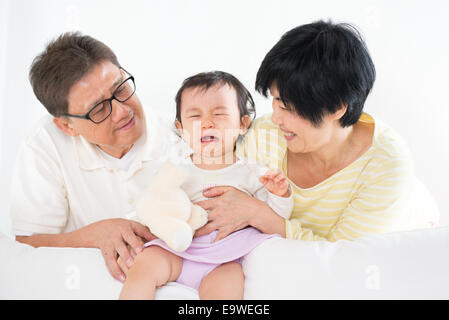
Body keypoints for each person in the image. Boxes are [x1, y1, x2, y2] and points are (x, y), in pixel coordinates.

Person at [194, 20, 437, 242]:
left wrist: (262, 216)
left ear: (337, 108)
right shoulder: (264, 135)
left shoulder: (384, 165)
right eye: (276, 101)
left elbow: (344, 258)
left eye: (288, 107)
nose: (276, 118)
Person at [10, 32, 181, 283]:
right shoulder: (45, 143)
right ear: (67, 126)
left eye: (121, 88)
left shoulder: (181, 135)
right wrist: (95, 235)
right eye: (98, 108)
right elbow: (26, 244)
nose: (122, 112)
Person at [118, 71, 293, 300]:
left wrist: (280, 194)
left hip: (225, 258)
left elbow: (275, 218)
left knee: (228, 284)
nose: (207, 123)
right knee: (144, 265)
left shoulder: (251, 171)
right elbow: (154, 205)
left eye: (219, 113)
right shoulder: (175, 169)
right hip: (177, 251)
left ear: (242, 124)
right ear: (181, 129)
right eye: (195, 116)